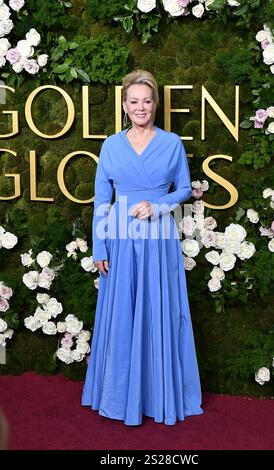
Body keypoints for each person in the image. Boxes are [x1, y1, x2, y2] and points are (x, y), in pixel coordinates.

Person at [81, 69, 203, 426]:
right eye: (133, 101)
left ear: (155, 104)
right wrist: (99, 247)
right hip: (119, 239)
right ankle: (119, 397)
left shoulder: (171, 143)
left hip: (158, 238)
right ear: (124, 104)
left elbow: (183, 189)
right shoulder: (111, 145)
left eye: (146, 101)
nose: (140, 107)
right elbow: (101, 200)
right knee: (121, 316)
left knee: (158, 312)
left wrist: (159, 205)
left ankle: (157, 395)